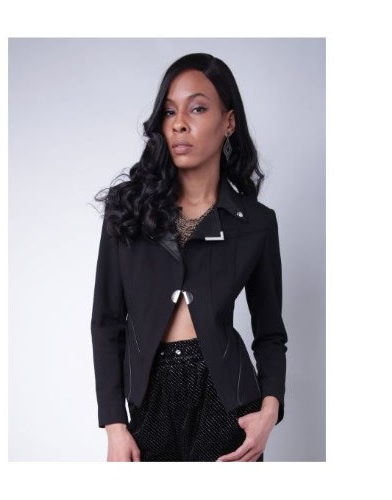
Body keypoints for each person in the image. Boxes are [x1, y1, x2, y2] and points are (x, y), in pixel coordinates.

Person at [90, 53, 288, 462]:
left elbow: (270, 332)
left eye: (197, 108)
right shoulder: (128, 209)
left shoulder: (256, 223)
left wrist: (270, 410)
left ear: (228, 122)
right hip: (149, 400)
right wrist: (114, 424)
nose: (179, 123)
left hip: (228, 401)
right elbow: (106, 322)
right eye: (169, 111)